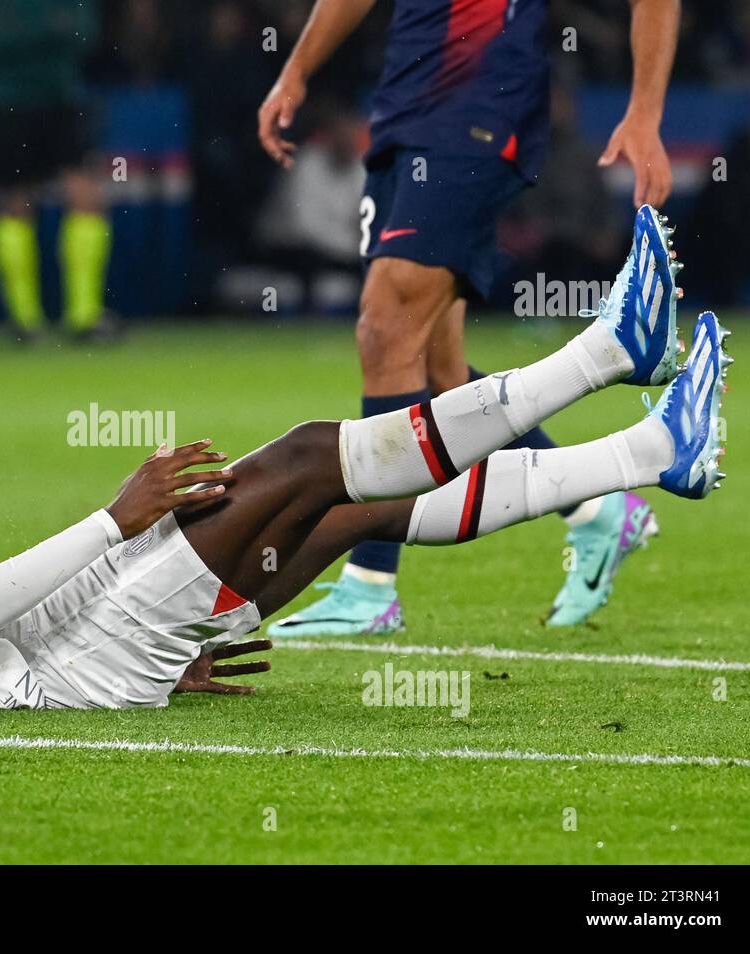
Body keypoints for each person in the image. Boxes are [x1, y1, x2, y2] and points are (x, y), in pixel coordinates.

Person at [0, 222, 728, 712]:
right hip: (59, 680)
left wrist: (144, 647)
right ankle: (605, 355)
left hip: (64, 654)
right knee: (314, 456)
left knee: (335, 499)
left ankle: (648, 449)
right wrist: (114, 528)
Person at [258, 0, 680, 633]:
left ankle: (372, 581)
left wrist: (644, 113)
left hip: (482, 103)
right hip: (405, 108)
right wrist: (297, 69)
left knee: (385, 326)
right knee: (437, 372)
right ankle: (596, 513)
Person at [0, 0, 117, 342]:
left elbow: (84, 35)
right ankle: (25, 321)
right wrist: (51, 32)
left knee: (86, 198)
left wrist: (32, 35)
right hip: (9, 102)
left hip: (63, 99)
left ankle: (84, 316)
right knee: (15, 203)